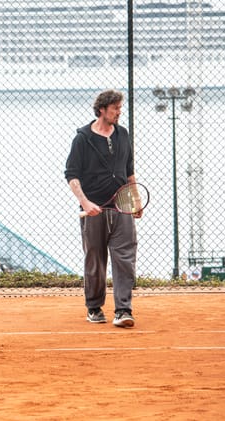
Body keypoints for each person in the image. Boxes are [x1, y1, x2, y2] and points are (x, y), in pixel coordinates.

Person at [65, 89, 141, 328]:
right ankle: (94, 308)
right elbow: (72, 175)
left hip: (121, 209)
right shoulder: (82, 139)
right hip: (93, 211)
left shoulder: (123, 135)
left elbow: (129, 171)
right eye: (115, 109)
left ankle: (123, 310)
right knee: (95, 260)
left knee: (125, 259)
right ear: (102, 110)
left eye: (120, 108)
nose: (119, 113)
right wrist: (86, 203)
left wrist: (135, 200)